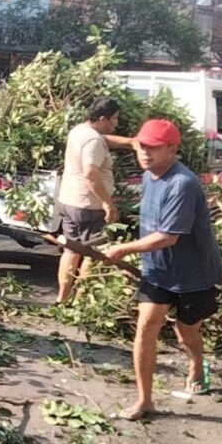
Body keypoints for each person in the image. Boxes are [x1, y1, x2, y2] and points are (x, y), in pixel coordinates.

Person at [103, 119, 222, 422]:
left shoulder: (182, 183)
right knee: (146, 328)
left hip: (193, 274)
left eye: (153, 148)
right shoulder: (148, 175)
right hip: (158, 270)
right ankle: (145, 401)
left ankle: (197, 361)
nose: (145, 153)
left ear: (172, 149)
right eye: (142, 146)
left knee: (187, 332)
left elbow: (169, 236)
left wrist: (123, 249)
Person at [55, 98, 135, 305]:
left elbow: (104, 139)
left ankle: (62, 299)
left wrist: (130, 143)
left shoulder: (79, 131)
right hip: (89, 205)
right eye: (114, 119)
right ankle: (81, 303)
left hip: (69, 201)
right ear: (102, 118)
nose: (116, 123)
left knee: (71, 250)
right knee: (92, 253)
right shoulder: (93, 141)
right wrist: (108, 203)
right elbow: (91, 174)